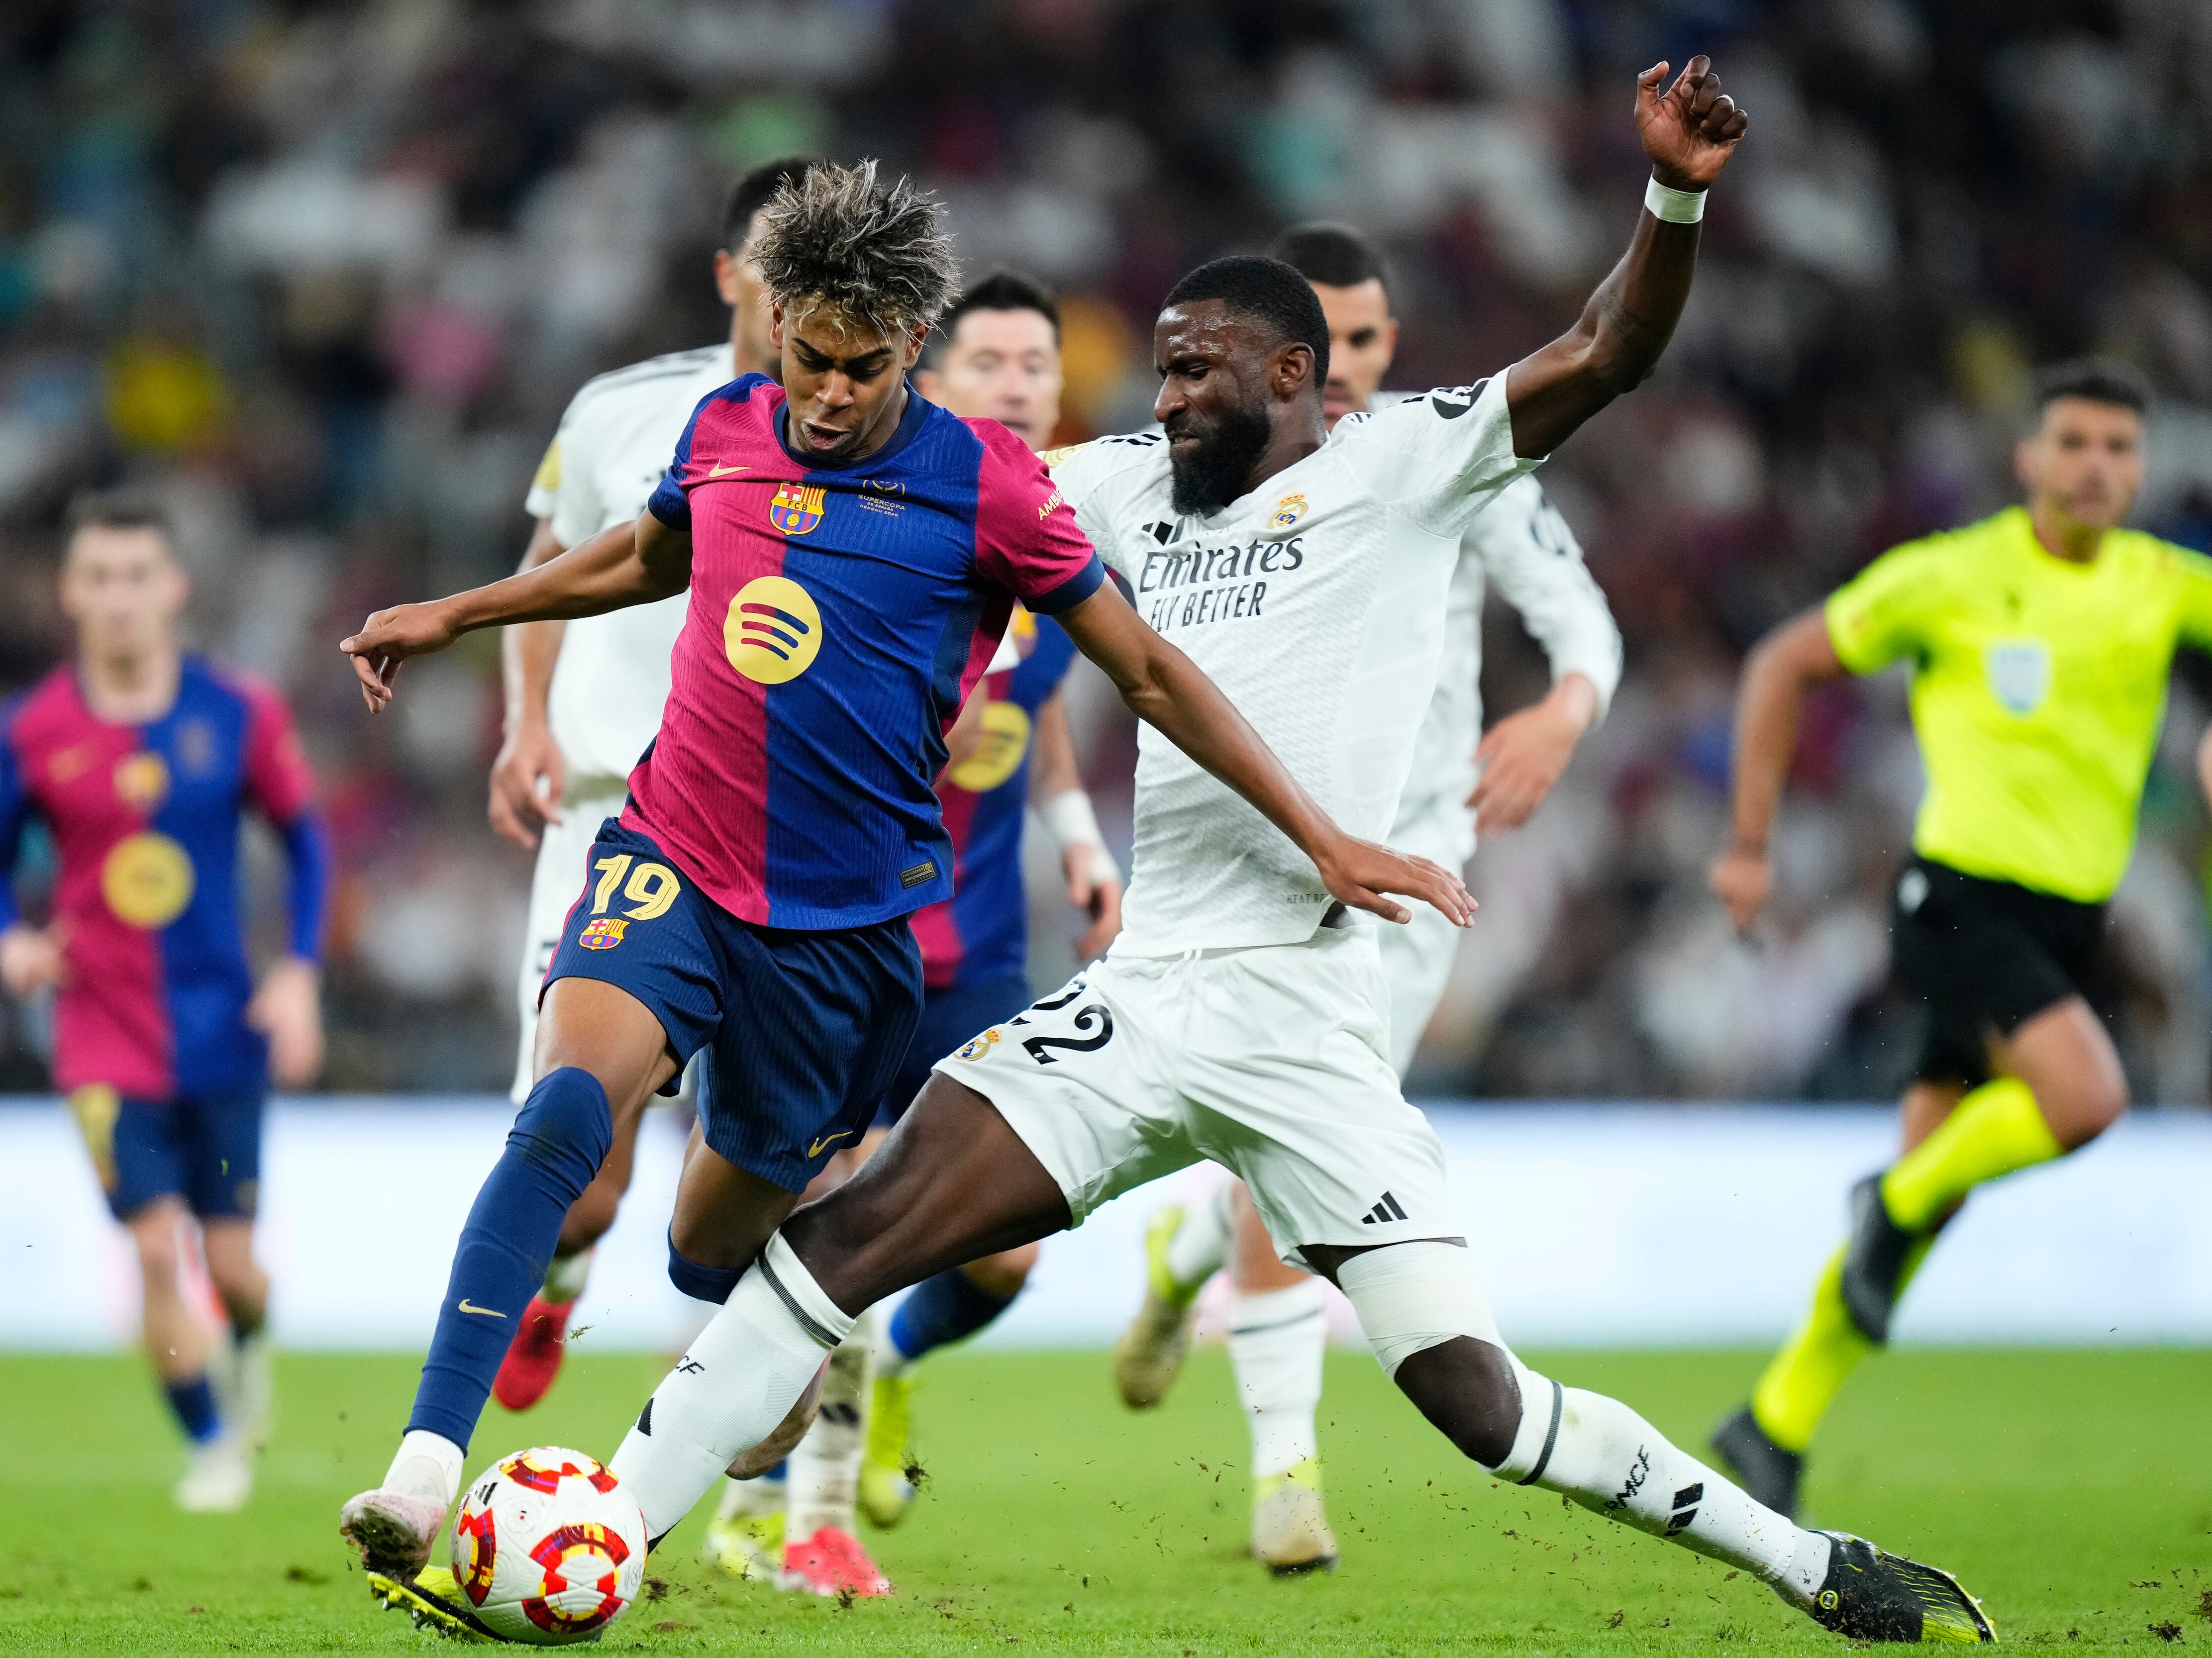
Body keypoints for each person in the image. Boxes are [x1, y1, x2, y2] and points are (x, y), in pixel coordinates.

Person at [593, 63, 1991, 1646]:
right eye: (1162, 372)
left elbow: (1611, 350)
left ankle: (1817, 1567)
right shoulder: (1118, 485)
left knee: (1478, 1399)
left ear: (1294, 371)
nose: (1166, 395)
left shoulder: (1407, 461)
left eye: (1197, 372)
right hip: (1149, 993)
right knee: (842, 1241)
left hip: (1313, 1022)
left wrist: (1673, 195)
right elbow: (914, 495)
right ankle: (606, 1528)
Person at [335, 160, 1462, 1607]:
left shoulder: (991, 486)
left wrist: (1320, 833)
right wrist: (457, 611)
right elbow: (642, 554)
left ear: (910, 351)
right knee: (566, 1105)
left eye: (865, 370)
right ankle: (427, 1464)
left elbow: (1150, 670)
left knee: (707, 1244)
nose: (828, 395)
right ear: (780, 326)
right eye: (810, 360)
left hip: (846, 942)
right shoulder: (728, 426)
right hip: (672, 854)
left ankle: (770, 1384)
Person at [1110, 220, 1624, 1575]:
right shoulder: (1202, 490)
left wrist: (1563, 712)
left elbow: (1583, 623)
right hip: (1248, 868)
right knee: (1290, 1162)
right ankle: (1285, 1472)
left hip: (1413, 869)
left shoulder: (1437, 461)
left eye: (1373, 340)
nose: (1348, 369)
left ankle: (1185, 1254)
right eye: (1328, 339)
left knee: (1287, 1168)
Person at [1707, 357, 2209, 1520]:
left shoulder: (2165, 584)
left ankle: (1773, 1417)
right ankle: (1883, 1203)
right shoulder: (1953, 575)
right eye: (2073, 443)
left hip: (2071, 924)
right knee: (2085, 1101)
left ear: (2142, 466)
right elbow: (1782, 659)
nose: (2095, 467)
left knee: (1935, 1190)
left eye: (2118, 448)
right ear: (2028, 458)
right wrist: (1746, 842)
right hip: (1957, 903)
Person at [706, 268, 1127, 1596]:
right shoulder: (872, 543)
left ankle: (865, 1381)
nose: (1013, 381)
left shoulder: (1049, 550)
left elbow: (1040, 702)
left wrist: (1075, 835)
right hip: (840, 936)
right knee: (840, 1216)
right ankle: (796, 1505)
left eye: (1033, 364)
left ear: (1060, 390)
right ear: (930, 385)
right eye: (986, 359)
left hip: (982, 954)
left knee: (1002, 1254)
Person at [485, 157, 817, 1420]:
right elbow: (547, 567)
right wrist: (525, 722)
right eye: (782, 272)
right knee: (591, 1170)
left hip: (781, 839)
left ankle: (769, 1427)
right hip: (609, 813)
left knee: (766, 1158)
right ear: (733, 274)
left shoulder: (877, 431)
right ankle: (559, 1283)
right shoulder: (622, 409)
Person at [0, 488, 329, 1512]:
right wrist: (11, 942)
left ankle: (248, 1336)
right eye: (99, 578)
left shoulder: (238, 711)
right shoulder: (31, 730)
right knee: (152, 1245)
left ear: (173, 588)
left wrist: (298, 972)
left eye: (137, 576)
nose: (120, 596)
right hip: (99, 1033)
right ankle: (212, 1444)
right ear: (70, 593)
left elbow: (305, 840)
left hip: (224, 1028)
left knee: (234, 1264)